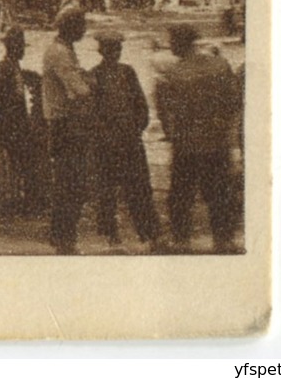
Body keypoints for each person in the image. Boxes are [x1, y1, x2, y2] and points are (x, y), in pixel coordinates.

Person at [154, 23, 240, 252]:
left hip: (187, 143)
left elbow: (164, 110)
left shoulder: (172, 75)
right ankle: (223, 240)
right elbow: (234, 100)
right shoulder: (219, 65)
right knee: (219, 193)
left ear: (180, 44)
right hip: (216, 141)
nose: (170, 47)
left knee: (181, 195)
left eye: (172, 42)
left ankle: (181, 240)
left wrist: (172, 133)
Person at [87, 30, 161, 251]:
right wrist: (105, 133)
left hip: (129, 141)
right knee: (107, 190)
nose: (114, 54)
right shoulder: (94, 75)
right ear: (102, 51)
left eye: (117, 49)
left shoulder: (128, 72)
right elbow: (92, 111)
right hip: (107, 143)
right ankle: (111, 236)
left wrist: (136, 127)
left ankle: (149, 235)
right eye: (109, 50)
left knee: (139, 189)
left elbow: (141, 105)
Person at [42, 5, 93, 254]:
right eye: (81, 25)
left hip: (67, 123)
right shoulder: (60, 53)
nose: (84, 30)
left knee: (71, 183)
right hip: (65, 125)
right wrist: (92, 87)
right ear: (71, 27)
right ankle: (64, 238)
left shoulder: (65, 50)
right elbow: (78, 89)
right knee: (70, 183)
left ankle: (63, 236)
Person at [0, 27, 41, 213]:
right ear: (12, 48)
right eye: (19, 47)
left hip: (20, 125)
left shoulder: (15, 68)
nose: (22, 51)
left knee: (30, 163)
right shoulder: (3, 69)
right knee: (24, 163)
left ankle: (31, 201)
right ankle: (27, 203)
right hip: (11, 127)